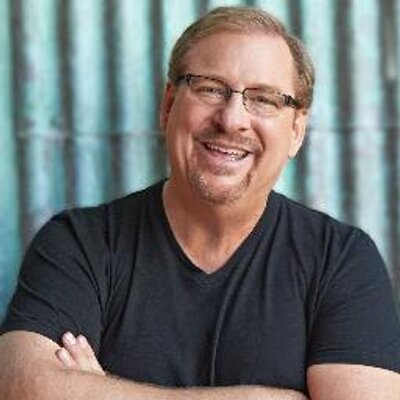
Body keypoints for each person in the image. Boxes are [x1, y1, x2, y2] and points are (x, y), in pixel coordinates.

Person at [1, 6, 400, 400]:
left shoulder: (340, 260)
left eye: (264, 99)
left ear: (297, 130)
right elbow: (21, 387)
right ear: (168, 106)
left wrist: (97, 390)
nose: (232, 119)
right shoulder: (80, 244)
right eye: (210, 88)